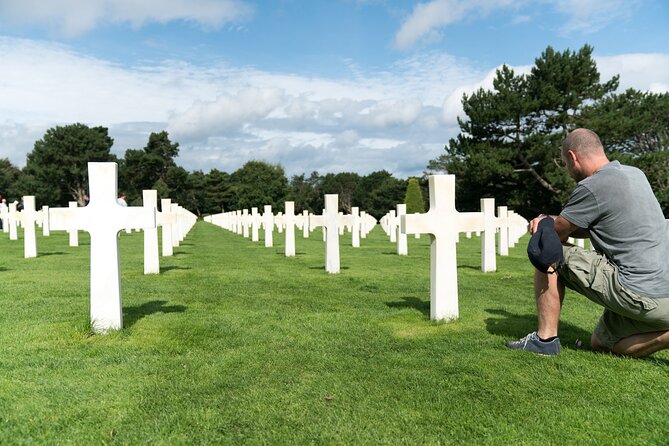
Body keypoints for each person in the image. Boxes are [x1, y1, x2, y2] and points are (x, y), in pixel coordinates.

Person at [506, 128, 669, 357]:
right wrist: (558, 221)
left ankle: (545, 340)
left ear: (573, 157)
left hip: (637, 292)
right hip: (664, 297)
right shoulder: (635, 174)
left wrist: (544, 222)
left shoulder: (592, 186)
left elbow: (556, 236)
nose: (569, 171)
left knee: (544, 244)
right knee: (601, 343)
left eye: (565, 164)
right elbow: (595, 224)